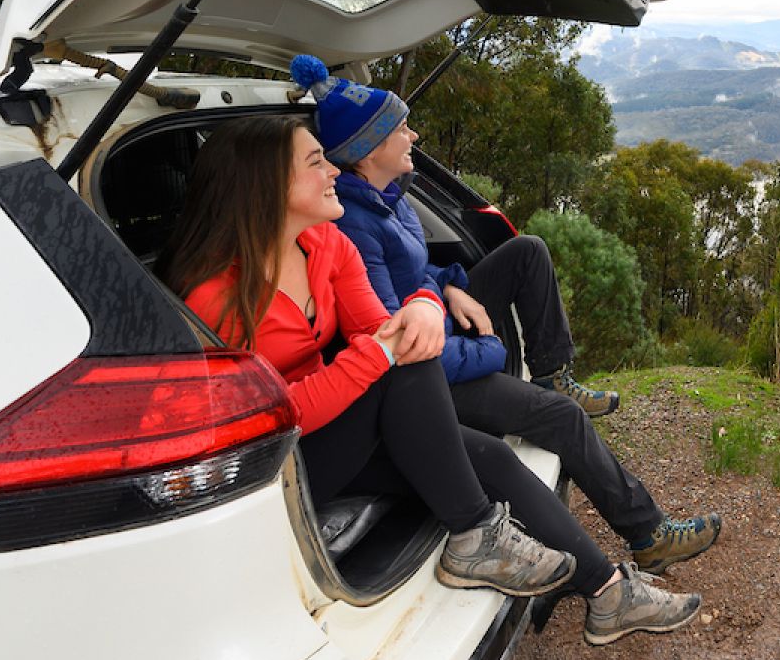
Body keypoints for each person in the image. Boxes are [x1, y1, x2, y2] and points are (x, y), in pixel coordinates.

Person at [158, 115, 702, 645]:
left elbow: (383, 326)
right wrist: (389, 345)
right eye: (317, 162)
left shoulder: (326, 245)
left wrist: (421, 305)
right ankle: (477, 535)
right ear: (267, 187)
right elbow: (276, 417)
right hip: (281, 464)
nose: (332, 172)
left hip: (340, 424)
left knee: (490, 457)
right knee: (400, 368)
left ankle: (606, 593)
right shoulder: (213, 301)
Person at [289, 55, 722, 577]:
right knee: (563, 418)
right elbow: (398, 343)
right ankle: (647, 533)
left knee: (527, 250)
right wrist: (487, 351)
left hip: (441, 325)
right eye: (402, 128)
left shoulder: (392, 199)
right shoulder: (356, 224)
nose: (414, 135)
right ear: (371, 148)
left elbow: (418, 269)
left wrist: (450, 287)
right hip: (431, 374)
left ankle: (554, 373)